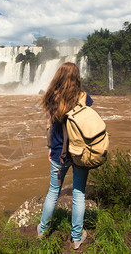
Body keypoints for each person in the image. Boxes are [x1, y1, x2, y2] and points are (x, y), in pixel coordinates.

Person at [37, 62, 92, 250]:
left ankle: (43, 230)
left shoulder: (51, 97)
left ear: (58, 76)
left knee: (53, 191)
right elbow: (88, 124)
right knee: (79, 193)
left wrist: (49, 147)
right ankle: (76, 237)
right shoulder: (83, 97)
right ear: (76, 77)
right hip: (79, 153)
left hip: (58, 153)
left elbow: (48, 126)